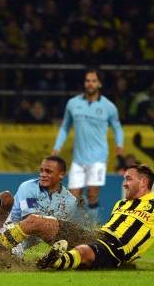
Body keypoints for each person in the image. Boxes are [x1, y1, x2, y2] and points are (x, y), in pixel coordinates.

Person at [37, 164, 154, 270]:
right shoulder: (121, 204)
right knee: (44, 222)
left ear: (143, 182)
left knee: (83, 252)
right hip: (96, 236)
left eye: (128, 179)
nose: (124, 184)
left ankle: (54, 262)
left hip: (115, 249)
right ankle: (13, 246)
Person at [53, 69, 124, 221]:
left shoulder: (108, 107)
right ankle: (71, 229)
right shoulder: (73, 103)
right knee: (72, 197)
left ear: (99, 84)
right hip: (78, 159)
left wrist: (119, 144)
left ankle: (91, 228)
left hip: (98, 158)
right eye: (87, 81)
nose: (90, 84)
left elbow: (117, 127)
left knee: (92, 193)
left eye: (93, 81)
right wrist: (57, 146)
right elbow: (65, 127)